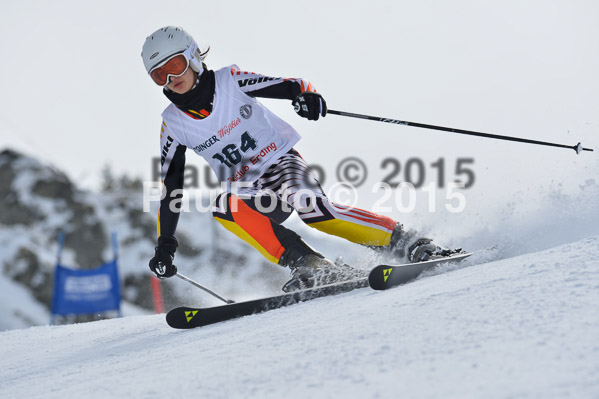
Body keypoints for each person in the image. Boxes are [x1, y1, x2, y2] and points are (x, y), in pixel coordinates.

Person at [142, 26, 455, 292]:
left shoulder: (230, 81)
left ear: (194, 57)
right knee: (223, 206)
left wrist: (307, 97)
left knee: (312, 208)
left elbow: (292, 85)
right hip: (250, 190)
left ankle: (409, 243)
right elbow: (172, 186)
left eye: (177, 65)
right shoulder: (173, 124)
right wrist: (165, 245)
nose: (171, 78)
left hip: (281, 163)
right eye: (160, 75)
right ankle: (308, 263)